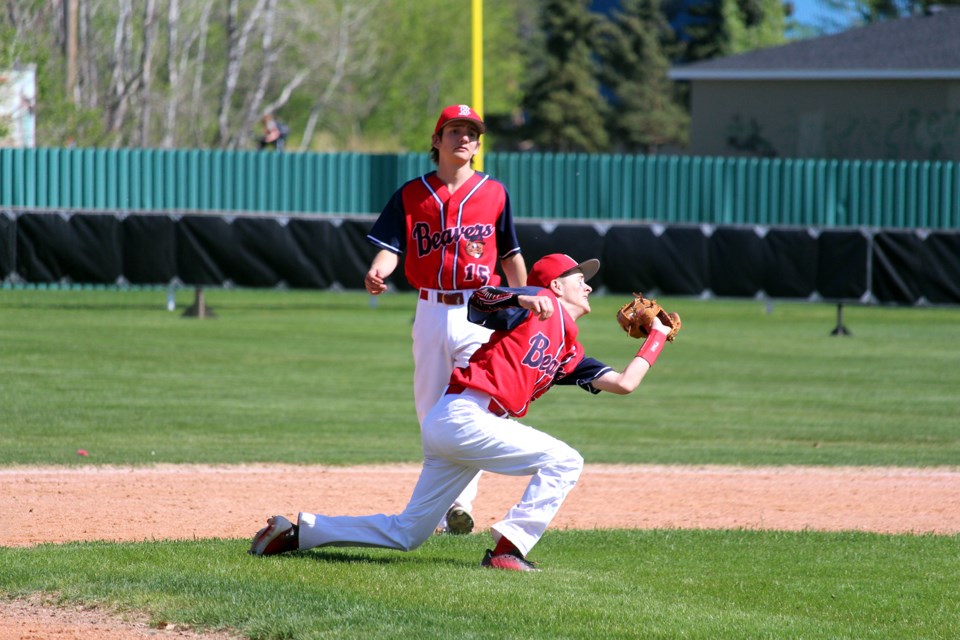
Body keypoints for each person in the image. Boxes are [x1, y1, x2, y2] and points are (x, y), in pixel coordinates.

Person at [249, 253, 679, 571]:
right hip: (466, 416)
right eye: (577, 277)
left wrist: (656, 337)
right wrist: (522, 299)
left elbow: (625, 383)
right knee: (565, 460)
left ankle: (295, 532)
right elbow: (479, 302)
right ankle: (508, 551)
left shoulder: (570, 350)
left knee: (408, 533)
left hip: (459, 425)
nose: (586, 285)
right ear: (555, 287)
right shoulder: (533, 304)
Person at [363, 104, 527, 535]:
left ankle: (460, 501)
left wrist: (525, 301)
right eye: (454, 130)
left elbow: (510, 255)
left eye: (471, 132)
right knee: (431, 409)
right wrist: (379, 269)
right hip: (431, 308)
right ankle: (437, 504)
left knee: (475, 406)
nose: (464, 138)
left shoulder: (494, 193)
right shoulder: (411, 194)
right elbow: (391, 247)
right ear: (437, 140)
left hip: (482, 307)